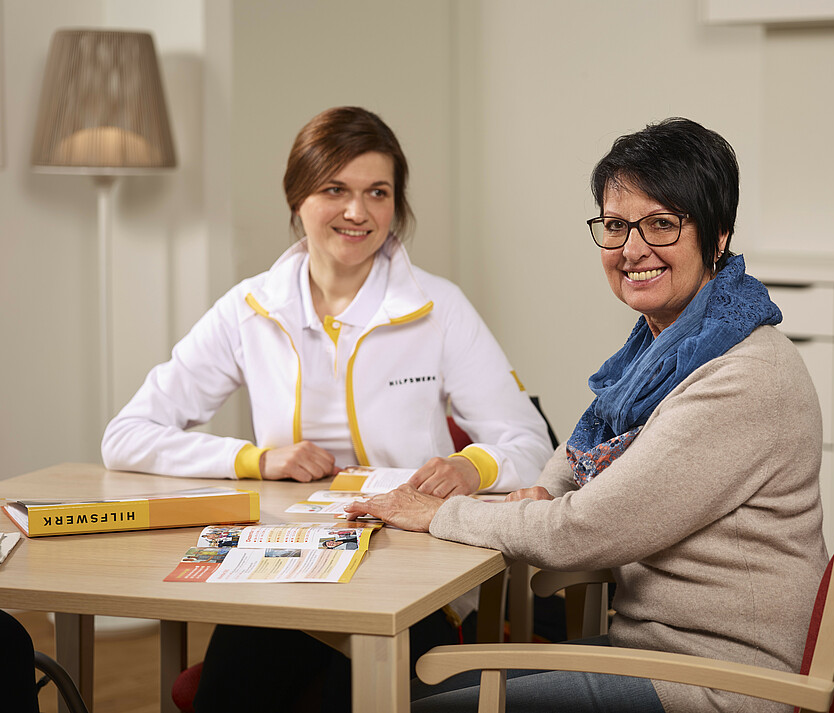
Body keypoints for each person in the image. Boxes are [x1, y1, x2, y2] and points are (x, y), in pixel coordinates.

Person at [346, 117, 829, 713]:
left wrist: (442, 513)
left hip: (718, 680)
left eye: (662, 224)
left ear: (719, 236)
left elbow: (585, 530)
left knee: (412, 703)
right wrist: (541, 493)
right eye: (618, 226)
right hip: (663, 650)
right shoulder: (674, 345)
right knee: (416, 687)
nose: (632, 249)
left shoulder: (740, 374)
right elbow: (580, 456)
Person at [101, 106, 553, 712]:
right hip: (286, 569)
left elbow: (530, 441)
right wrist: (254, 459)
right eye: (334, 189)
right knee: (231, 688)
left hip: (410, 575)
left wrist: (473, 467)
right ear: (297, 197)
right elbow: (128, 436)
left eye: (378, 193)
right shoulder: (249, 309)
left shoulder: (439, 308)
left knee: (360, 690)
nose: (357, 212)